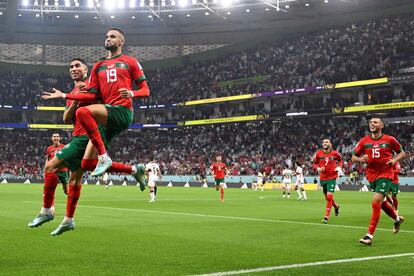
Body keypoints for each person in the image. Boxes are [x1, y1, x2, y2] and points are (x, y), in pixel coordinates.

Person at [29, 59, 144, 235]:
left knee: (50, 166)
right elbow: (66, 118)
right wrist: (73, 99)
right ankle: (68, 219)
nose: (74, 69)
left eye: (77, 66)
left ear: (86, 69)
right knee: (76, 178)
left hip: (85, 137)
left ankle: (47, 211)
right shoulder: (74, 91)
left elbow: (99, 102)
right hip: (78, 135)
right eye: (71, 67)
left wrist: (71, 96)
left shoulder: (93, 84)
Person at [42, 27, 150, 178]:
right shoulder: (98, 66)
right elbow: (90, 96)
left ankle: (103, 156)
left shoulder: (130, 61)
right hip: (106, 119)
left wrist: (132, 93)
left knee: (82, 112)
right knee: (87, 164)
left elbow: (146, 90)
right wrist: (64, 95)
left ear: (121, 41)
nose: (108, 39)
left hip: (122, 110)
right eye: (107, 36)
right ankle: (134, 170)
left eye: (113, 36)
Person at [352, 118, 405, 245]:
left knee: (375, 203)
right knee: (381, 204)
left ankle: (369, 235)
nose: (372, 124)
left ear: (382, 125)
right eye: (370, 122)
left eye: (375, 122)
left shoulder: (390, 139)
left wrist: (394, 161)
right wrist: (361, 160)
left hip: (386, 174)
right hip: (372, 176)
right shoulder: (364, 141)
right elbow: (353, 157)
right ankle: (397, 219)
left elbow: (402, 153)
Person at [312, 139, 342, 224]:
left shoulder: (335, 153)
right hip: (323, 178)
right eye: (323, 142)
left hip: (332, 177)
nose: (325, 143)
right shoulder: (318, 154)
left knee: (329, 197)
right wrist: (318, 168)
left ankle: (326, 216)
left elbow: (340, 160)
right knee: (327, 197)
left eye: (327, 142)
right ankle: (336, 206)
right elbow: (314, 163)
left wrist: (339, 167)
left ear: (330, 144)